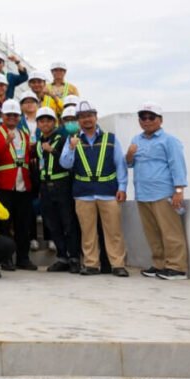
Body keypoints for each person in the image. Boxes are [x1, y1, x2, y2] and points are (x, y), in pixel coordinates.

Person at [60, 101, 129, 277]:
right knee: (88, 232)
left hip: (108, 192)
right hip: (83, 193)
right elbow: (65, 164)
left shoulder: (110, 139)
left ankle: (118, 264)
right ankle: (91, 264)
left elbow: (120, 164)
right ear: (78, 120)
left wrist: (122, 187)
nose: (86, 120)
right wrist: (71, 148)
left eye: (89, 116)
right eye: (82, 117)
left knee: (114, 231)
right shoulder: (73, 139)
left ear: (96, 117)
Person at [127, 102, 189, 280]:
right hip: (143, 193)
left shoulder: (169, 140)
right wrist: (129, 154)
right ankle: (159, 264)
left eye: (151, 117)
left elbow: (177, 165)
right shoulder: (136, 140)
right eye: (143, 117)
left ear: (160, 120)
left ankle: (177, 267)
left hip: (163, 193)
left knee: (171, 232)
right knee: (152, 233)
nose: (147, 121)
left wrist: (179, 190)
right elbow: (129, 164)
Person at [0, 99, 37, 271]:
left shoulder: (24, 134)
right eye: (9, 115)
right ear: (2, 115)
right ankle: (5, 259)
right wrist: (5, 143)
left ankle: (23, 258)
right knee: (3, 224)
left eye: (15, 115)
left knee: (23, 224)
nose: (12, 118)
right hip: (3, 185)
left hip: (23, 185)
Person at [33, 107, 80, 273]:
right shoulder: (39, 142)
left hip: (62, 184)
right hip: (45, 186)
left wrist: (52, 150)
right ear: (37, 124)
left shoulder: (63, 138)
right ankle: (62, 257)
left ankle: (74, 258)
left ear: (55, 122)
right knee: (52, 224)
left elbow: (68, 161)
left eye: (48, 120)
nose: (45, 124)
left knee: (68, 222)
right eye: (41, 121)